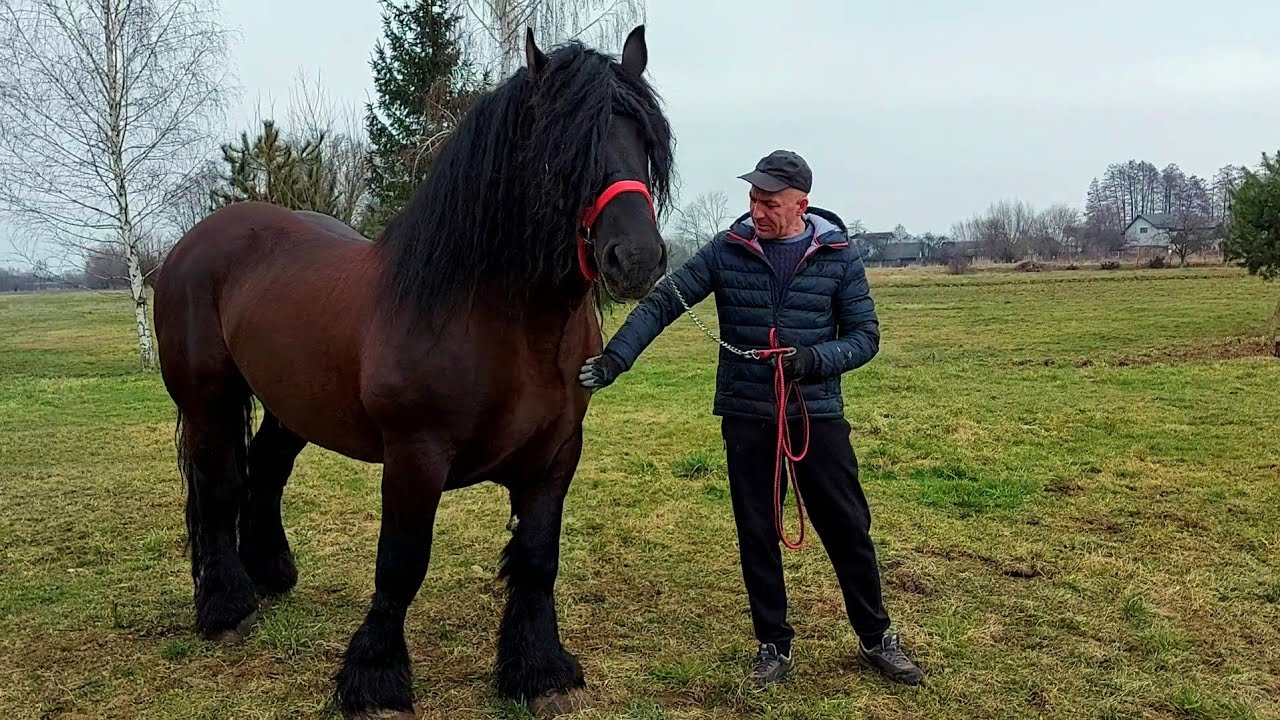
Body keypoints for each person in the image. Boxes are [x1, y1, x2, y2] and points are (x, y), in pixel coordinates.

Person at [578, 150, 923, 687]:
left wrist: (813, 361)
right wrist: (616, 358)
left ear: (800, 204)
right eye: (753, 200)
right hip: (747, 412)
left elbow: (865, 338)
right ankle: (773, 645)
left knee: (847, 527)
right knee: (756, 531)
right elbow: (662, 302)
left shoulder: (837, 255)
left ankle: (877, 636)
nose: (758, 212)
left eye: (770, 203)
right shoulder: (727, 249)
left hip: (816, 412)